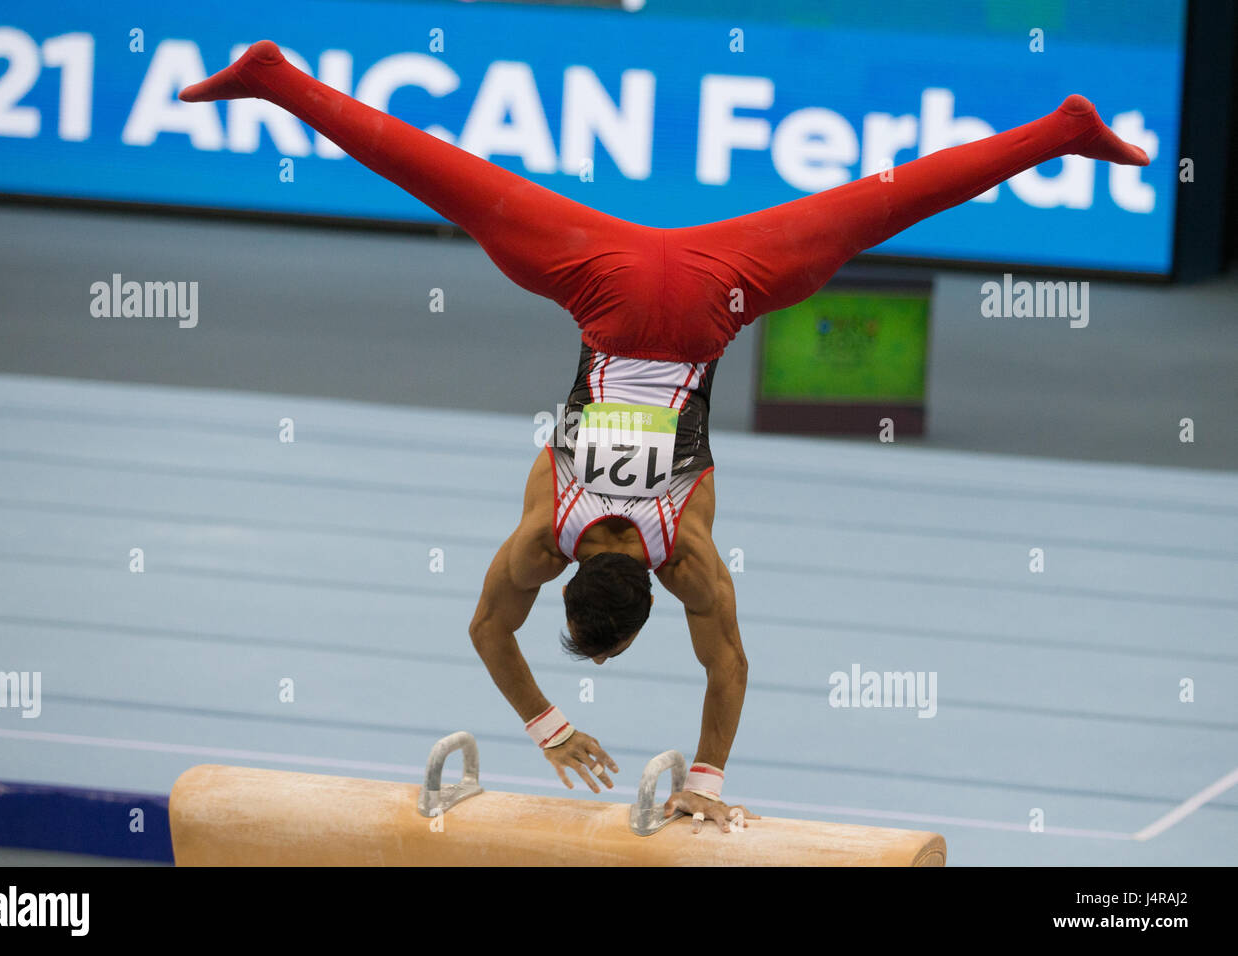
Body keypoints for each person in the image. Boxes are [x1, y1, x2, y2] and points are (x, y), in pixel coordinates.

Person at [181, 40, 1149, 833]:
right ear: (574, 577)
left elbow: (726, 661)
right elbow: (485, 628)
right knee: (450, 179)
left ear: (648, 593)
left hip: (713, 297)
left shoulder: (684, 556)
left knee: (881, 206)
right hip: (598, 282)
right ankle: (277, 78)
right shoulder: (541, 536)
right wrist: (546, 721)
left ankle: (1057, 132)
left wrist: (706, 778)